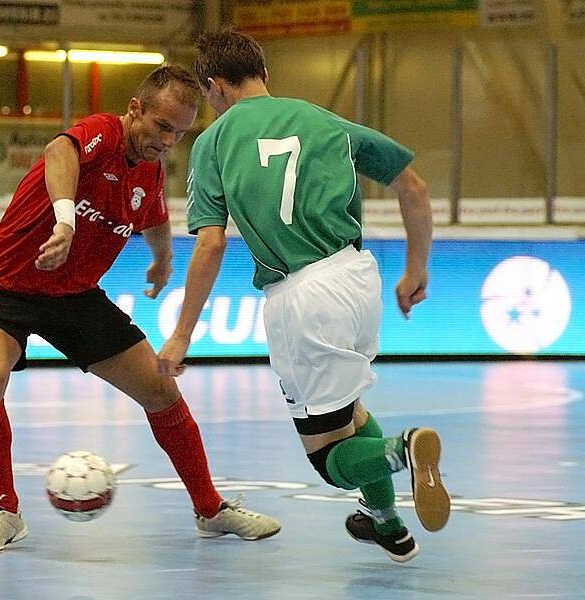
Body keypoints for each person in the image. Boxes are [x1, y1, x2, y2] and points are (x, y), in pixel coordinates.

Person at [0, 64, 281, 553]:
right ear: (136, 110)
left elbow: (153, 217)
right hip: (7, 287)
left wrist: (162, 259)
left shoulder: (149, 170)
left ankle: (211, 509)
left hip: (75, 296)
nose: (169, 140)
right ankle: (5, 510)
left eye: (179, 132)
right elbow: (58, 151)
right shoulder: (102, 134)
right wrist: (65, 223)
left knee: (160, 388)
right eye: (161, 127)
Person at [157, 31, 450, 563]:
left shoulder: (214, 141)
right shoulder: (326, 121)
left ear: (215, 87)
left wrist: (180, 335)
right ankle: (386, 523)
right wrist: (416, 270)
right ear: (263, 73)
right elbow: (415, 188)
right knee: (351, 414)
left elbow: (211, 243)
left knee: (329, 455)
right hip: (359, 278)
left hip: (302, 297)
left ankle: (403, 451)